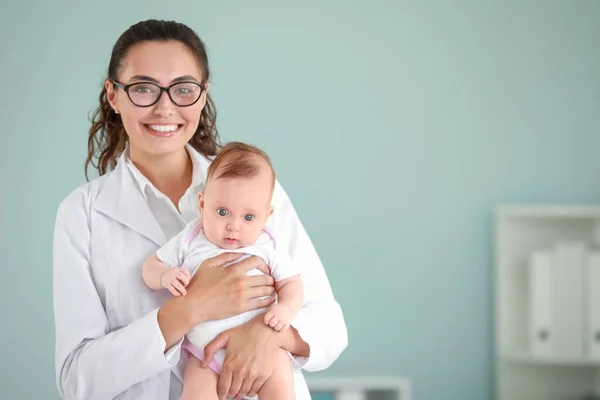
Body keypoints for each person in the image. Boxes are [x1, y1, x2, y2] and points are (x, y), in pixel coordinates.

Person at [52, 18, 347, 400]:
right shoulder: (82, 214)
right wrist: (190, 310)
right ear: (113, 95)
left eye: (183, 89)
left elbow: (329, 324)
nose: (164, 107)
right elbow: (77, 378)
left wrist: (269, 335)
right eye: (143, 88)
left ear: (202, 94)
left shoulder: (254, 193)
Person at [143, 141, 303, 400]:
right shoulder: (191, 237)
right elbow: (150, 266)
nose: (233, 226)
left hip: (264, 348)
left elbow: (292, 284)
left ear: (267, 215)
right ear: (202, 204)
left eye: (248, 217)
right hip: (205, 353)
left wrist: (285, 309)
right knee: (195, 392)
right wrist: (164, 276)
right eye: (222, 212)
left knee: (281, 389)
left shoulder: (268, 244)